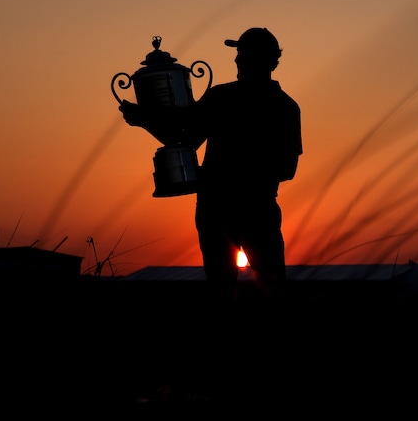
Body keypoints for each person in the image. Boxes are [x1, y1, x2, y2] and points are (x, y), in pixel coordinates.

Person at [120, 27, 303, 303]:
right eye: (239, 54)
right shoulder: (277, 105)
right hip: (236, 210)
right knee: (247, 292)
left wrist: (144, 119)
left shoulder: (266, 105)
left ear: (268, 61)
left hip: (237, 210)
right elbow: (184, 141)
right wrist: (144, 119)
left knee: (252, 292)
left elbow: (287, 169)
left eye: (244, 55)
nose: (238, 61)